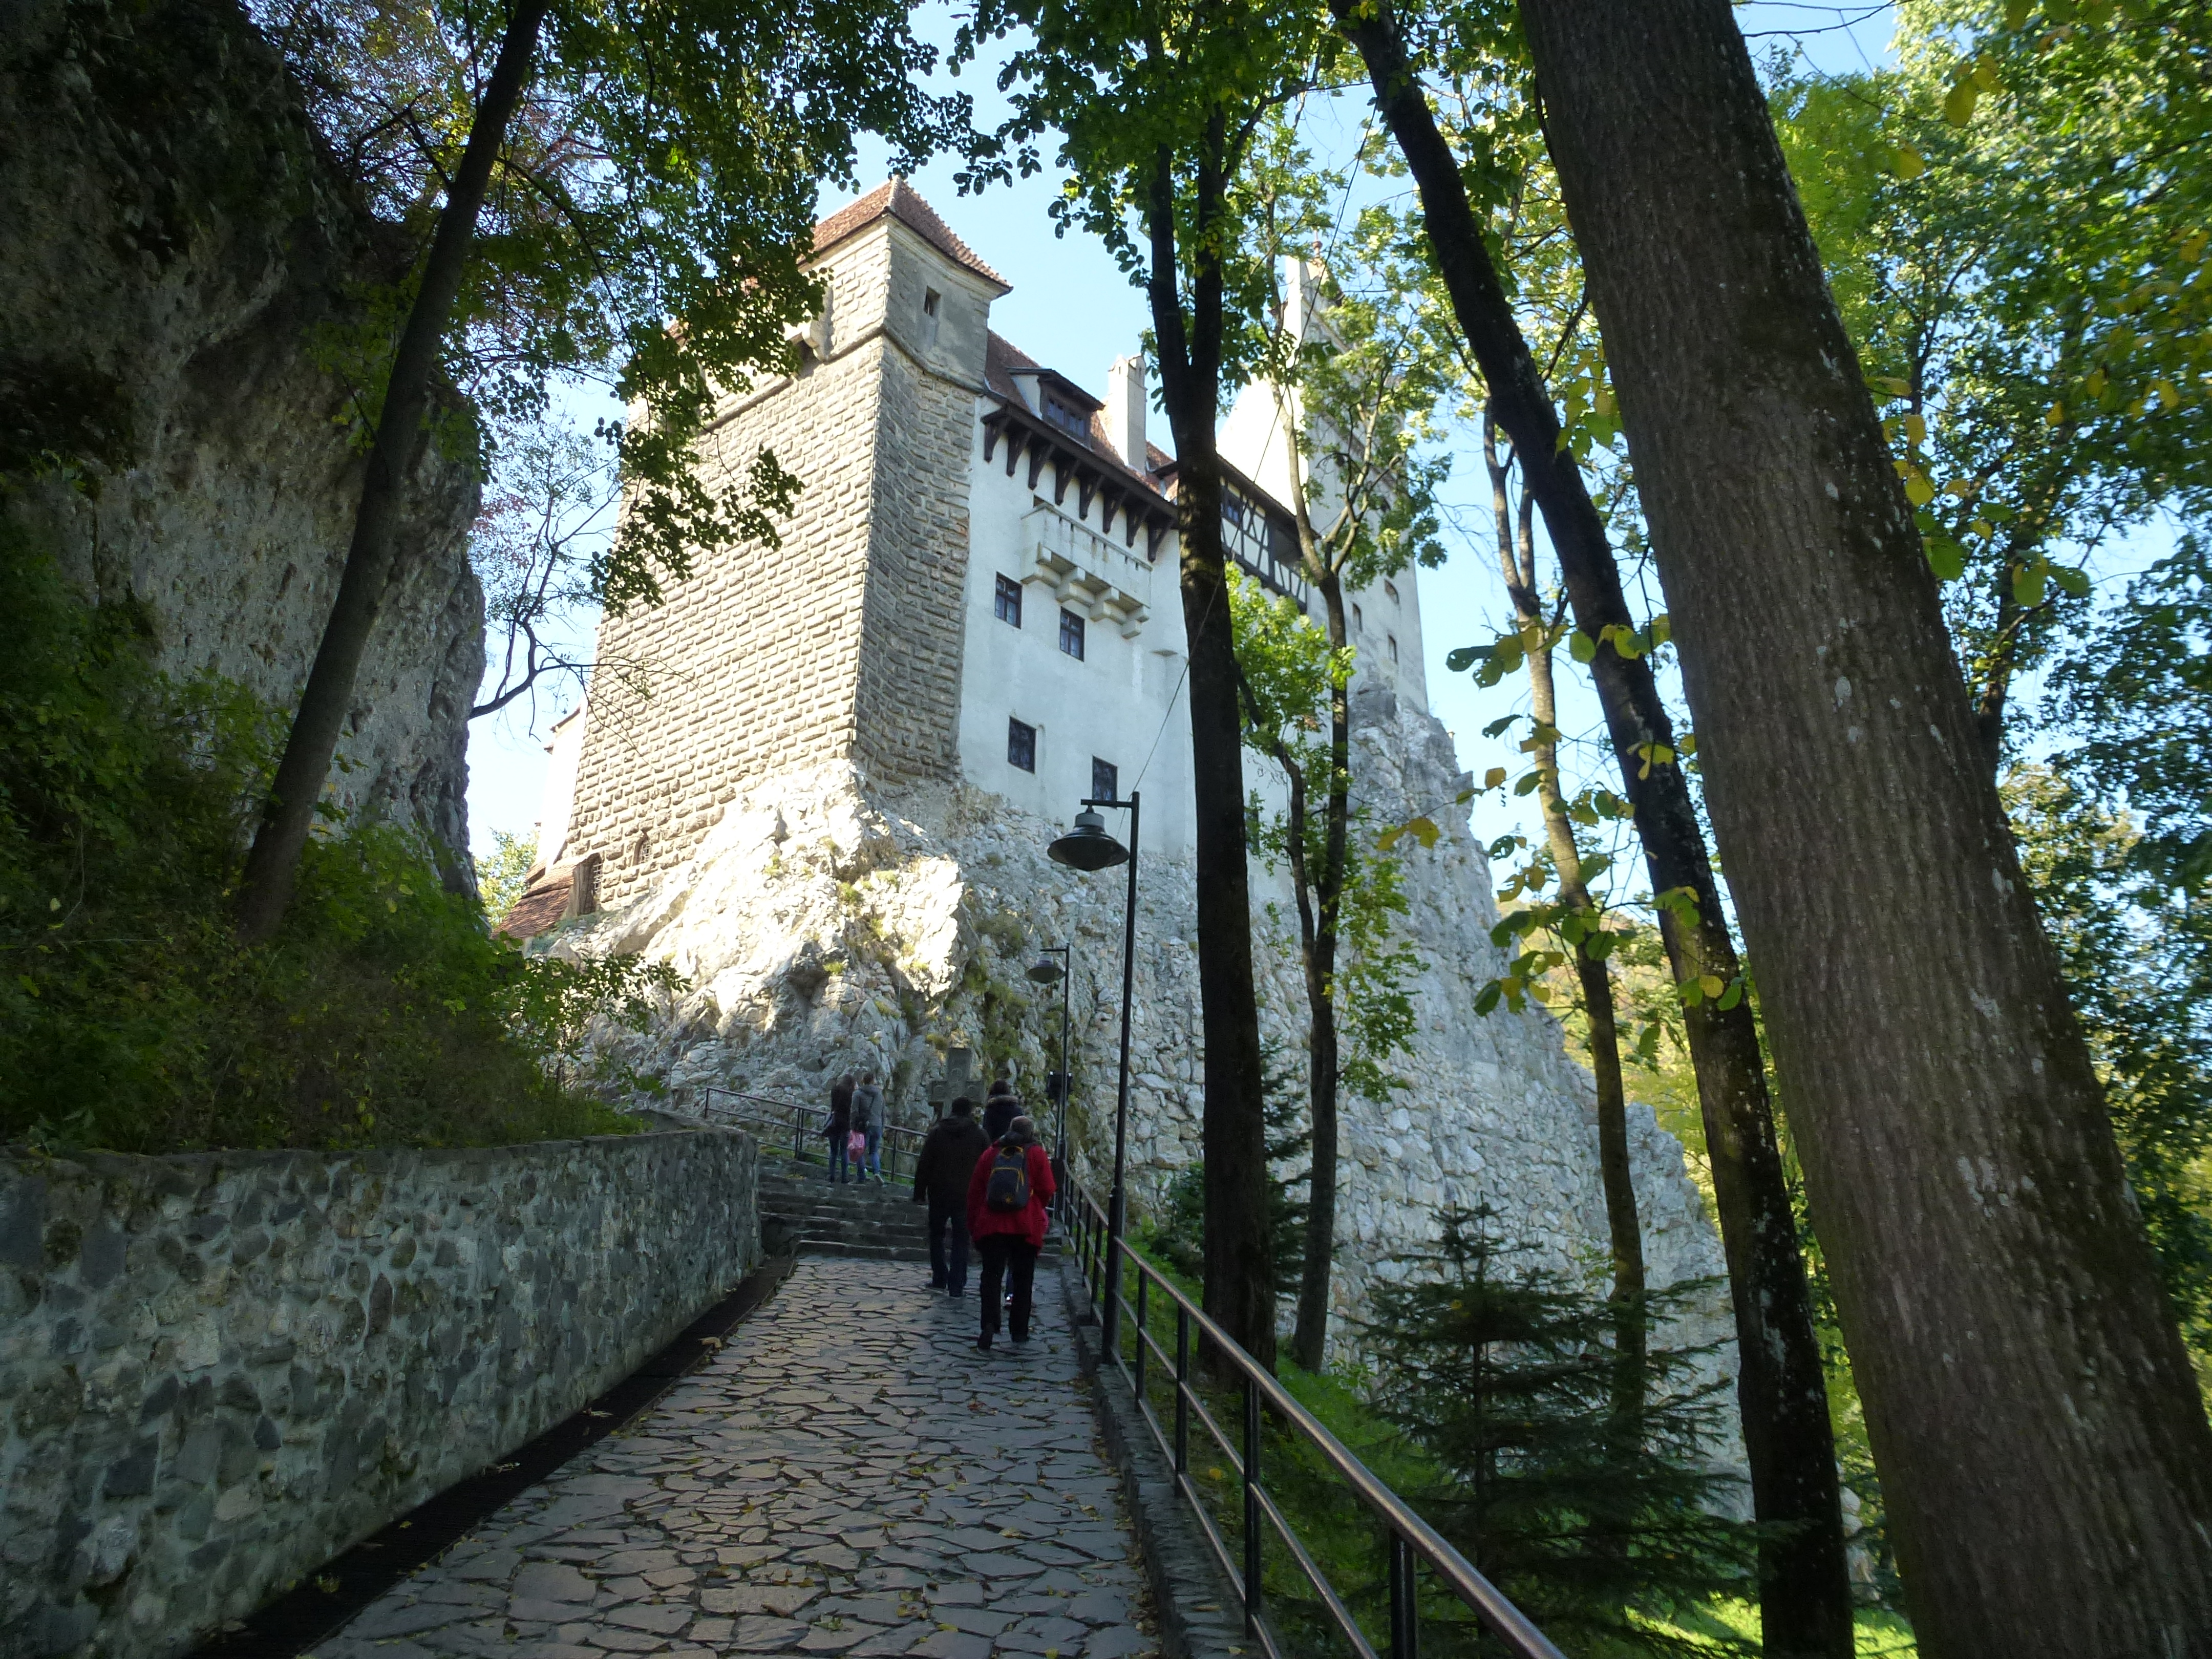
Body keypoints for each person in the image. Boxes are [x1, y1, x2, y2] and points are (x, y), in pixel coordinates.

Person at [966, 1114, 1055, 1351]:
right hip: (1025, 1226)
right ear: (1030, 1133)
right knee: (1023, 1279)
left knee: (991, 1276)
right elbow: (1048, 1188)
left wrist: (974, 1225)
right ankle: (1019, 1331)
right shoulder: (1036, 1154)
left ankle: (989, 1323)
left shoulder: (991, 1153)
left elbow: (976, 1191)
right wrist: (1035, 1205)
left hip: (992, 1225)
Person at [912, 1096, 990, 1296]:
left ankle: (939, 1277)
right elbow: (988, 1167)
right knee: (961, 1238)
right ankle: (957, 1283)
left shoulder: (937, 1132)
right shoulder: (980, 1135)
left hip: (939, 1192)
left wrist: (919, 1193)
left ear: (953, 1110)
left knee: (936, 1235)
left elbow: (925, 1164)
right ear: (970, 1111)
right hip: (967, 1195)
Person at [851, 1072, 886, 1184]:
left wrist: (853, 1126)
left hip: (864, 1126)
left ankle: (861, 1176)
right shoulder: (880, 1095)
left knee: (860, 1151)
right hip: (877, 1125)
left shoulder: (858, 1094)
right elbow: (883, 1113)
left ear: (863, 1081)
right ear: (873, 1081)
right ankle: (877, 1172)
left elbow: (854, 1111)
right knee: (874, 1152)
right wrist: (882, 1127)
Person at [825, 1074, 855, 1184]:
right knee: (844, 1151)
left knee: (833, 1152)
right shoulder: (851, 1093)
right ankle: (844, 1177)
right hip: (845, 1124)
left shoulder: (835, 1090)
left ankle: (832, 1176)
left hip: (834, 1123)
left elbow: (833, 1106)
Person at [981, 1078, 1020, 1142]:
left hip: (995, 1144)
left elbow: (987, 1131)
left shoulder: (990, 1109)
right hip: (1013, 1144)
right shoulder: (1016, 1109)